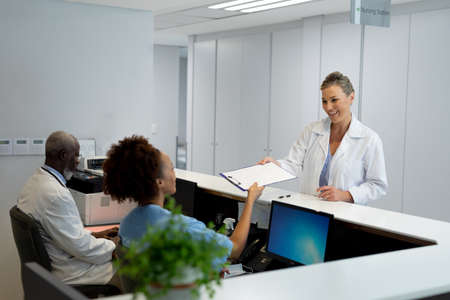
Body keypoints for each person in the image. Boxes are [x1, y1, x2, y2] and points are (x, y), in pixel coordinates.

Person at [102, 135, 264, 265]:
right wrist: (250, 200)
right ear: (159, 182)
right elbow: (235, 249)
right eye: (172, 168)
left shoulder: (127, 223)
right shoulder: (183, 227)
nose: (174, 175)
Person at [258, 71, 387, 205]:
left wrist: (346, 195)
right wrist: (275, 165)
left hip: (346, 216)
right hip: (310, 210)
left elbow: (377, 185)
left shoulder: (369, 139)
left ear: (351, 97)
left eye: (334, 100)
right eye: (324, 101)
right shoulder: (312, 131)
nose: (328, 107)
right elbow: (293, 164)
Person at [17, 131, 120, 286]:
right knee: (132, 269)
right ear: (64, 155)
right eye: (76, 156)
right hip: (71, 272)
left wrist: (95, 235)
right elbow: (82, 248)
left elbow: (67, 234)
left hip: (58, 261)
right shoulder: (55, 194)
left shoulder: (35, 182)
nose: (78, 161)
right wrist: (115, 246)